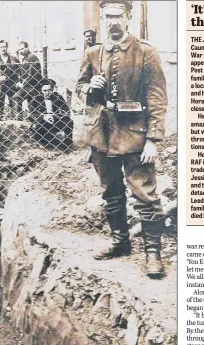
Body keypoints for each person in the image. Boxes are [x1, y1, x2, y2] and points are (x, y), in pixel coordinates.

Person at [76, 0, 168, 278]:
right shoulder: (93, 53)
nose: (113, 22)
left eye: (118, 16)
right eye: (108, 17)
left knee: (145, 195)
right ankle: (120, 243)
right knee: (111, 193)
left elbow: (157, 97)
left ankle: (153, 254)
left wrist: (153, 139)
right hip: (101, 136)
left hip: (135, 136)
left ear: (129, 18)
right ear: (102, 19)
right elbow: (79, 89)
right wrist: (89, 88)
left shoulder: (145, 52)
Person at [30, 78, 74, 151]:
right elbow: (32, 114)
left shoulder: (58, 97)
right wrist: (44, 117)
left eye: (49, 90)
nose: (47, 92)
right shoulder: (36, 99)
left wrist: (55, 116)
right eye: (45, 91)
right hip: (43, 122)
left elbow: (66, 111)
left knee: (69, 122)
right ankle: (44, 144)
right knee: (35, 126)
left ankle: (68, 145)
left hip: (56, 121)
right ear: (41, 91)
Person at [0, 40, 19, 119]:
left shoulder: (14, 59)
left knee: (14, 106)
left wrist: (17, 81)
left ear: (7, 47)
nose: (3, 48)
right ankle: (0, 121)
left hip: (11, 86)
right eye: (1, 47)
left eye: (4, 46)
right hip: (0, 87)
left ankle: (14, 121)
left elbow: (20, 71)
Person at [12, 41, 42, 120]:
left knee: (16, 98)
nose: (20, 51)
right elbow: (24, 73)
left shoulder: (31, 57)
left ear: (27, 48)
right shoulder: (26, 57)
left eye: (22, 48)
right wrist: (20, 81)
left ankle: (19, 119)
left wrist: (23, 84)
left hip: (33, 86)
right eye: (19, 49)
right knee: (31, 106)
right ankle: (28, 120)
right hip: (29, 86)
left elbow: (32, 74)